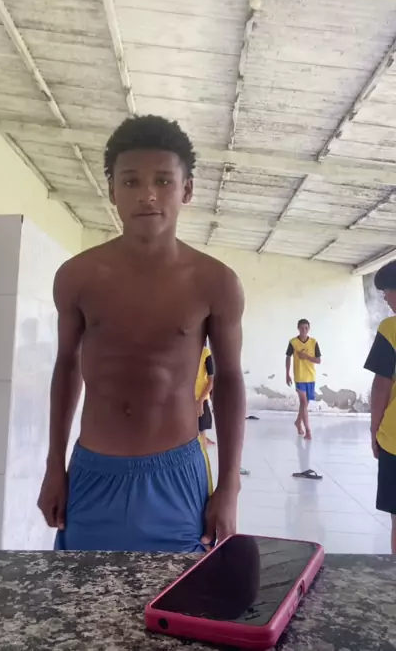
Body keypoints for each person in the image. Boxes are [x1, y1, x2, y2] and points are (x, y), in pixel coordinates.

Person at [37, 115, 245, 553]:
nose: (148, 194)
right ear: (113, 190)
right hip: (93, 472)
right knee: (83, 590)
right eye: (131, 181)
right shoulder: (77, 276)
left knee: (179, 592)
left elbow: (229, 380)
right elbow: (66, 365)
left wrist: (229, 485)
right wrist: (55, 464)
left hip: (176, 475)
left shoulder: (215, 282)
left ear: (187, 189)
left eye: (163, 181)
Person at [364, 261, 396, 555]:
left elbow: (382, 385)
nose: (385, 298)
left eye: (387, 290)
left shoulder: (391, 328)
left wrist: (374, 428)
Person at [285, 319, 321, 440]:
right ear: (298, 328)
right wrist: (287, 374)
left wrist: (306, 357)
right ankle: (308, 430)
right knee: (304, 403)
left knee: (305, 403)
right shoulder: (293, 342)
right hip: (299, 377)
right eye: (301, 328)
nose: (304, 330)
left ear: (309, 329)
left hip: (310, 376)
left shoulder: (314, 342)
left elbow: (318, 360)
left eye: (306, 328)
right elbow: (288, 357)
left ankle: (298, 422)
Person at [196, 343, 215, 448]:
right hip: (185, 399)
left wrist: (201, 400)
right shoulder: (183, 351)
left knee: (201, 430)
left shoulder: (205, 353)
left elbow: (211, 380)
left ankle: (204, 443)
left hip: (200, 398)